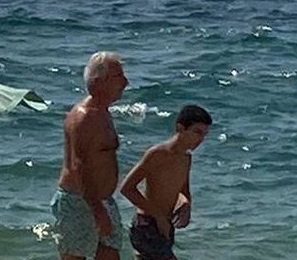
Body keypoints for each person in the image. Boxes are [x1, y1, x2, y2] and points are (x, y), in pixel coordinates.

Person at [52, 51, 129, 260]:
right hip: (81, 200)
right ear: (98, 82)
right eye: (118, 77)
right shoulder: (85, 116)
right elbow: (79, 165)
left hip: (103, 200)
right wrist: (96, 209)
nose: (126, 82)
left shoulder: (103, 112)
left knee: (110, 254)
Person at [119, 104, 213, 260]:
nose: (200, 139)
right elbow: (127, 189)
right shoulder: (158, 153)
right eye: (197, 132)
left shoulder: (186, 158)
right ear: (180, 128)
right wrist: (158, 217)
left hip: (166, 225)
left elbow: (183, 191)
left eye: (204, 135)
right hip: (147, 224)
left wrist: (186, 205)